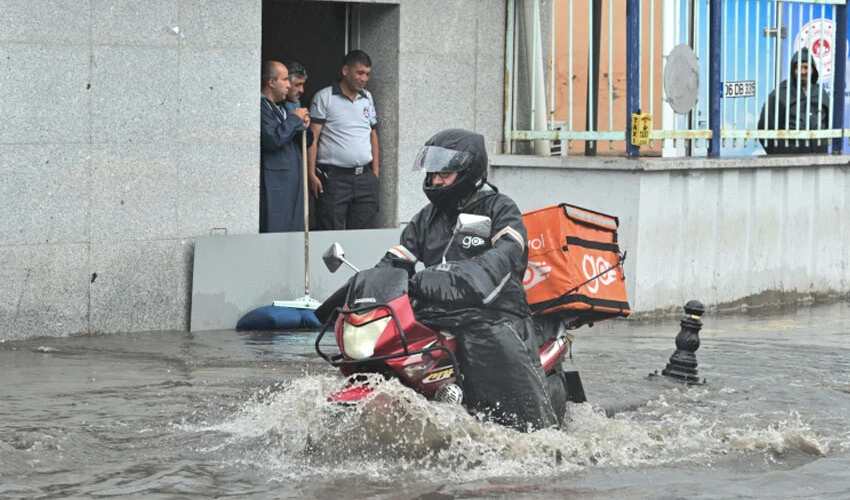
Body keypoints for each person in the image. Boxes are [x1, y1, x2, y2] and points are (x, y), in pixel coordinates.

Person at [376, 129, 558, 431]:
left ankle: (531, 439)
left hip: (496, 313)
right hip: (440, 311)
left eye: (444, 174)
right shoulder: (427, 217)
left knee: (518, 423)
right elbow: (397, 259)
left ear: (469, 171)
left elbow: (509, 251)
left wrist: (467, 276)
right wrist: (366, 289)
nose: (435, 181)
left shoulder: (500, 208)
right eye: (433, 173)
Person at [307, 50, 380, 230]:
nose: (364, 79)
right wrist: (310, 174)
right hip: (334, 178)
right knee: (331, 234)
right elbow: (312, 138)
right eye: (360, 73)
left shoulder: (367, 98)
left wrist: (375, 173)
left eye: (367, 74)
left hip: (364, 178)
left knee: (363, 236)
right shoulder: (324, 97)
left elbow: (373, 134)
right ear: (346, 70)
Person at [260, 60, 313, 233]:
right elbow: (274, 139)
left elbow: (304, 142)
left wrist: (304, 126)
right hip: (276, 186)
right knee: (277, 231)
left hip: (292, 182)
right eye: (285, 80)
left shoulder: (282, 108)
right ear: (272, 82)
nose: (289, 86)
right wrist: (294, 120)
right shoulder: (261, 107)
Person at [757, 47, 830, 155]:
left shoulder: (820, 93)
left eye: (806, 67)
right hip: (788, 160)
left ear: (813, 69)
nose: (803, 72)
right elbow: (764, 128)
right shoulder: (781, 93)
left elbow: (828, 123)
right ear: (793, 70)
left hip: (818, 158)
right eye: (798, 68)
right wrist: (778, 153)